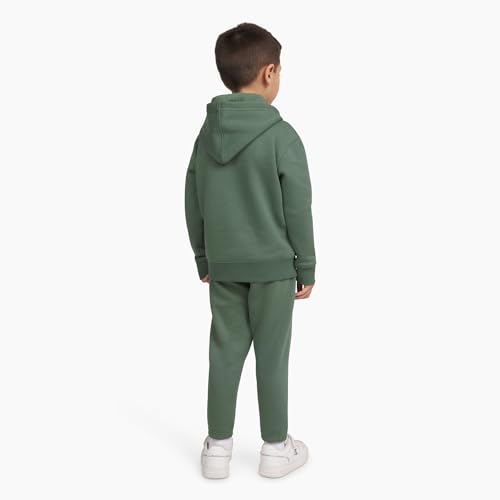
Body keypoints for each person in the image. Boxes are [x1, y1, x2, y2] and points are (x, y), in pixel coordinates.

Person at [184, 22, 316, 479]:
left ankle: (217, 449)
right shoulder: (282, 137)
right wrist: (306, 265)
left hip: (224, 267)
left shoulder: (205, 137)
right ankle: (276, 449)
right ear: (268, 72)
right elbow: (297, 206)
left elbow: (192, 198)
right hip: (274, 269)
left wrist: (203, 257)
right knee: (272, 356)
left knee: (223, 353)